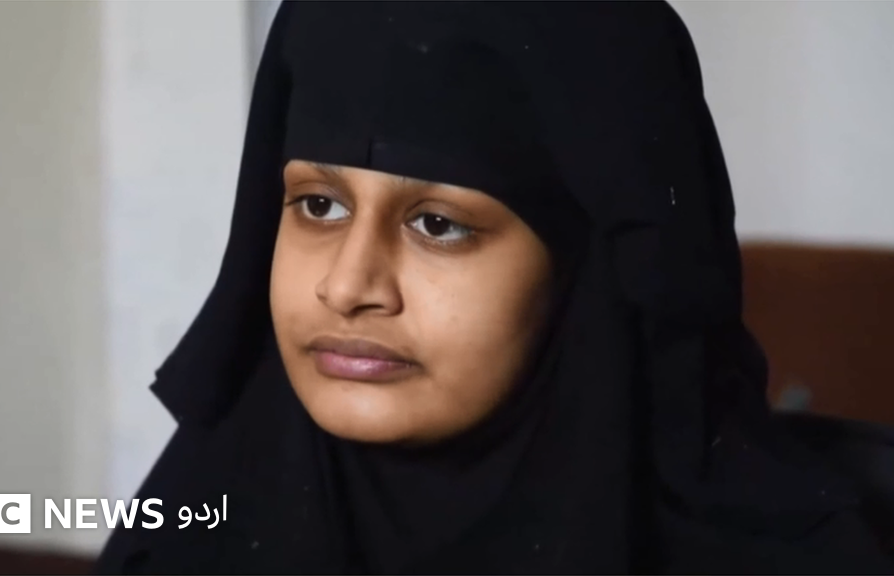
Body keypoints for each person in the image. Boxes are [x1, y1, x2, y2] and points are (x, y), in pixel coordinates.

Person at [94, 2, 893, 573]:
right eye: (319, 206)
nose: (347, 286)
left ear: (586, 273)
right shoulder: (187, 534)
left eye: (438, 224)